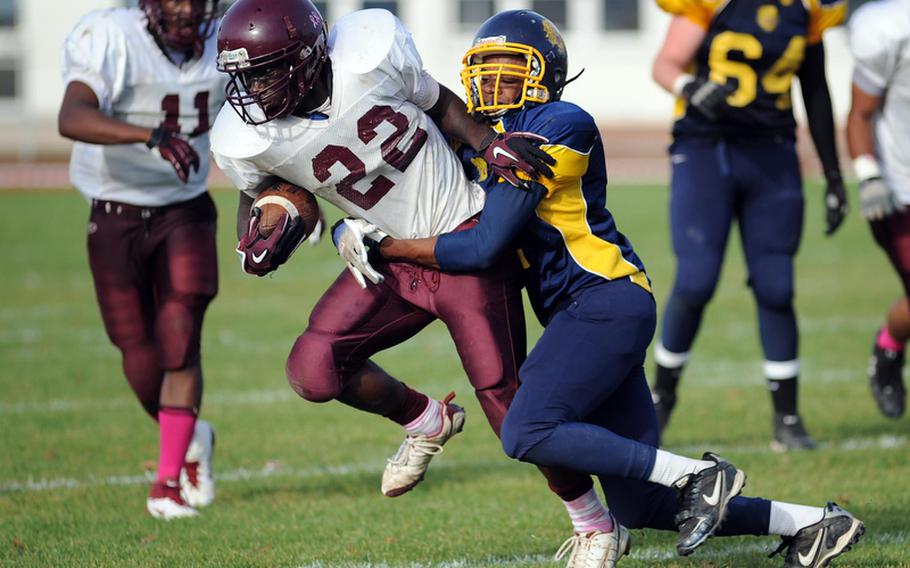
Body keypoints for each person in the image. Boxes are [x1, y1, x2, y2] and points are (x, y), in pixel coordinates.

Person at [367, 10, 865, 567]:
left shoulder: (561, 122)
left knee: (526, 429)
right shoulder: (487, 140)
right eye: (484, 73)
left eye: (509, 73)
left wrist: (388, 247)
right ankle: (814, 523)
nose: (492, 87)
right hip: (582, 314)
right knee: (641, 504)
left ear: (544, 75)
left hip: (604, 299)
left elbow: (485, 245)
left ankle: (700, 474)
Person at [209, 0, 616, 557]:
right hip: (386, 258)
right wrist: (259, 237)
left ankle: (593, 522)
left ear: (305, 58)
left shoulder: (367, 54)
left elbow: (439, 101)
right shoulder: (247, 136)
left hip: (459, 239)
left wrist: (483, 142)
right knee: (314, 369)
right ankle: (425, 420)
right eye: (244, 77)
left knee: (506, 407)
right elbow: (262, 197)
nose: (252, 90)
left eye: (263, 72)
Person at [649, 0, 849, 450]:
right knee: (696, 280)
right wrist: (689, 86)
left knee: (776, 285)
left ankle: (788, 418)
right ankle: (660, 399)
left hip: (772, 153)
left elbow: (815, 90)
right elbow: (664, 63)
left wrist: (834, 175)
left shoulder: (808, 8)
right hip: (707, 147)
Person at [58, 0, 224, 519]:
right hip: (114, 210)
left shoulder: (229, 37)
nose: (187, 8)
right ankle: (192, 435)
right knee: (137, 357)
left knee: (180, 333)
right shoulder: (111, 35)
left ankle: (167, 483)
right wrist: (150, 135)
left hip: (185, 209)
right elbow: (72, 116)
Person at [846, 0, 910, 420]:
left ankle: (890, 341)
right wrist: (868, 176)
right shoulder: (892, 28)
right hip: (902, 190)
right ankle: (889, 346)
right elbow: (860, 113)